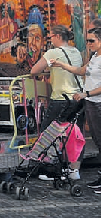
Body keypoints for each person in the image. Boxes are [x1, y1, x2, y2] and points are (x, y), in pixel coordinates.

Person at [51, 20, 101, 192]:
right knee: (97, 139)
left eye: (91, 41)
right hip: (91, 104)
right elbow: (81, 71)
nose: (88, 44)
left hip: (98, 103)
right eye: (87, 40)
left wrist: (86, 94)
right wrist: (61, 65)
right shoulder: (94, 57)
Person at [31, 24, 84, 181]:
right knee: (75, 134)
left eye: (51, 37)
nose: (50, 40)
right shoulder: (76, 52)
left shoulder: (53, 52)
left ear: (58, 37)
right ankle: (74, 170)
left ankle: (49, 169)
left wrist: (48, 70)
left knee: (48, 133)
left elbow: (34, 70)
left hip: (61, 100)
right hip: (78, 98)